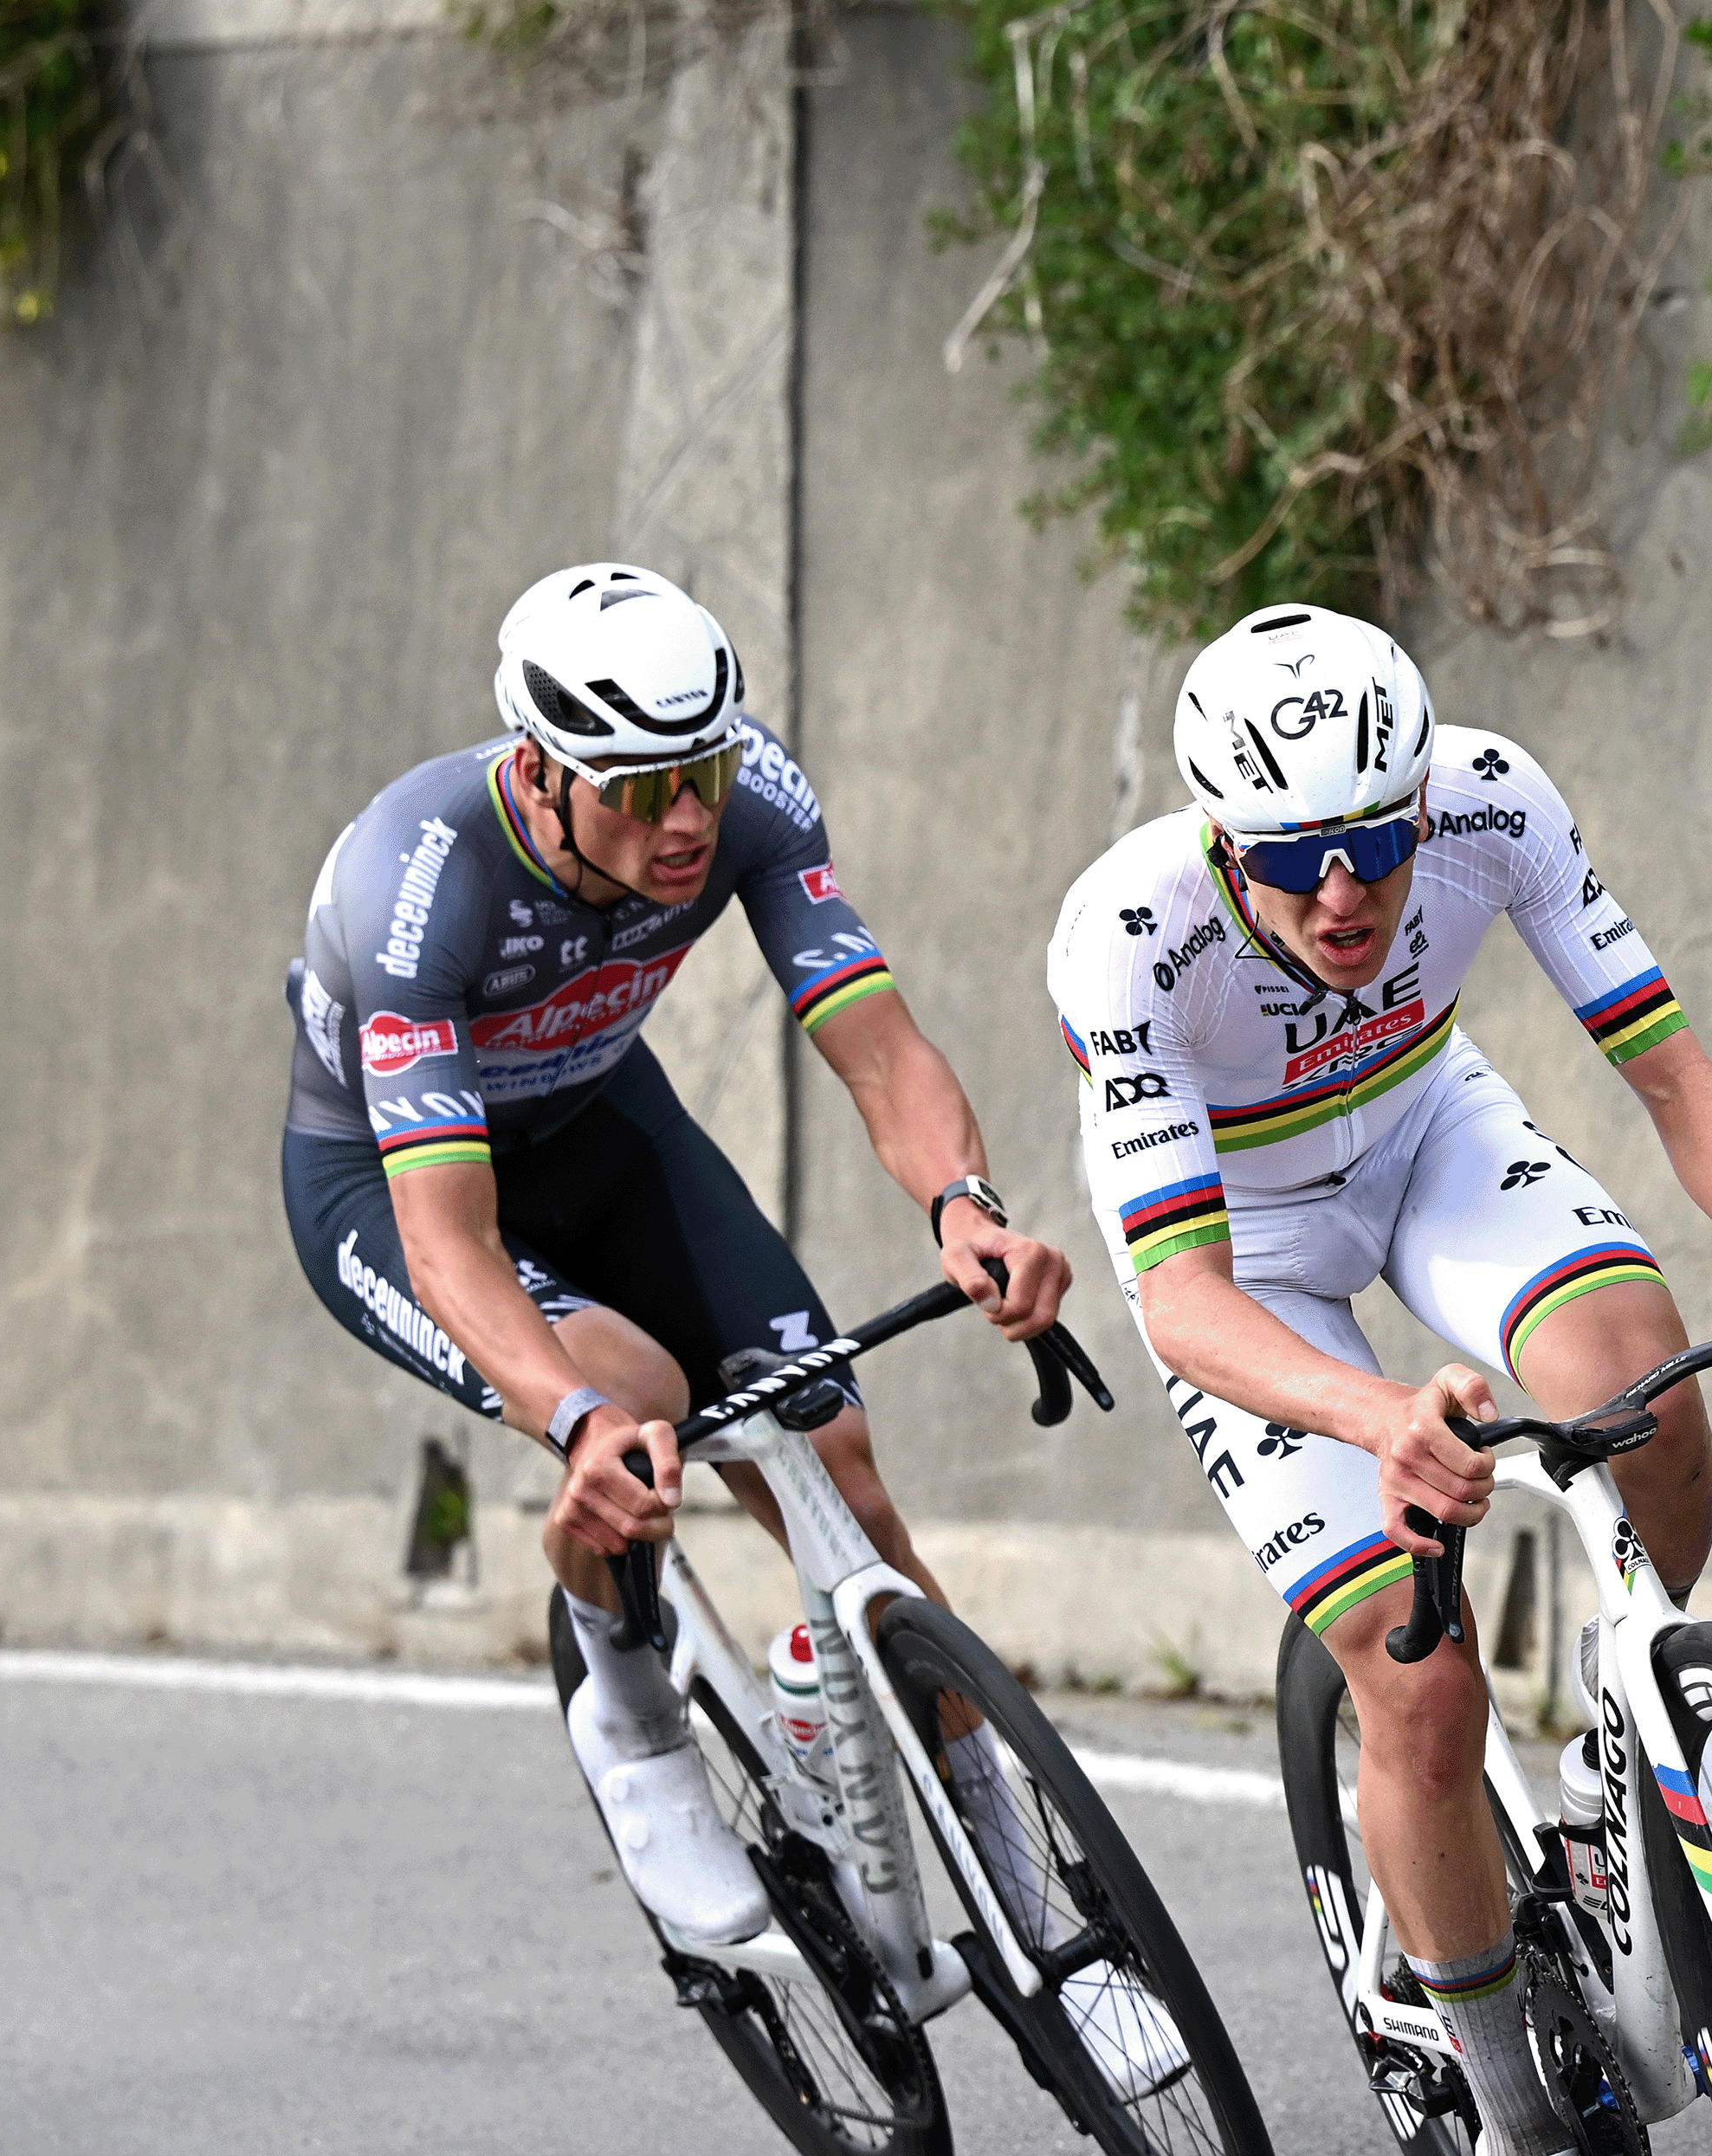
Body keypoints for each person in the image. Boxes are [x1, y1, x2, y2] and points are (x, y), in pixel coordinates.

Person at [1043, 604, 1712, 2156]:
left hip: (1431, 1137)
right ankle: (1515, 2129)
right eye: (1294, 863)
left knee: (1640, 1388)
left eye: (1375, 843)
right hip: (1245, 1257)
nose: (1347, 894)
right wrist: (1378, 1419)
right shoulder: (1127, 935)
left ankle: (1618, 1782)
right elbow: (1189, 1302)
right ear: (1222, 837)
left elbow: (1665, 1065)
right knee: (1417, 1679)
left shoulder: (1492, 805)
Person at [283, 564, 1128, 2043]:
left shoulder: (748, 802)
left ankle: (1046, 1928)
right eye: (645, 786)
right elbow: (449, 1241)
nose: (686, 818)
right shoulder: (413, 883)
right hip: (397, 1190)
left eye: (707, 771)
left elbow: (875, 1041)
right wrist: (573, 1410)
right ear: (542, 775)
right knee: (638, 1404)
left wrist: (963, 1207)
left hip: (605, 1130)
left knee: (837, 1455)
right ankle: (627, 1708)